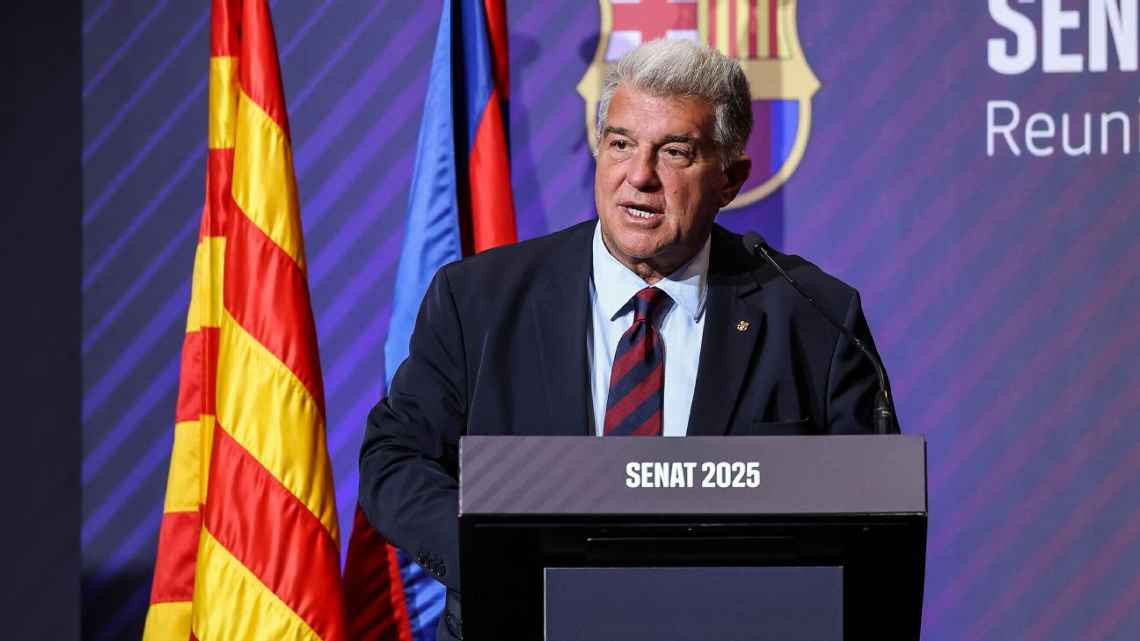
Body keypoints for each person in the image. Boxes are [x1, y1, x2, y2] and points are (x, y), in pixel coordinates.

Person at [358, 39, 898, 641]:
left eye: (675, 152)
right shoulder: (479, 299)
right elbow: (395, 458)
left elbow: (871, 515)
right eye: (620, 144)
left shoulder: (813, 316)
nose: (639, 176)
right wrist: (495, 562)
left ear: (730, 180)